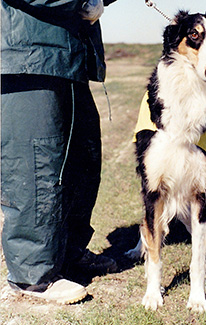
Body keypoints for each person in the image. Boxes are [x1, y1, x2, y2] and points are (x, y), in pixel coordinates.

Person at [1, 0, 118, 304]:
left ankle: (69, 254)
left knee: (83, 158)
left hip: (70, 58)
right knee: (37, 164)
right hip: (27, 56)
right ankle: (33, 275)